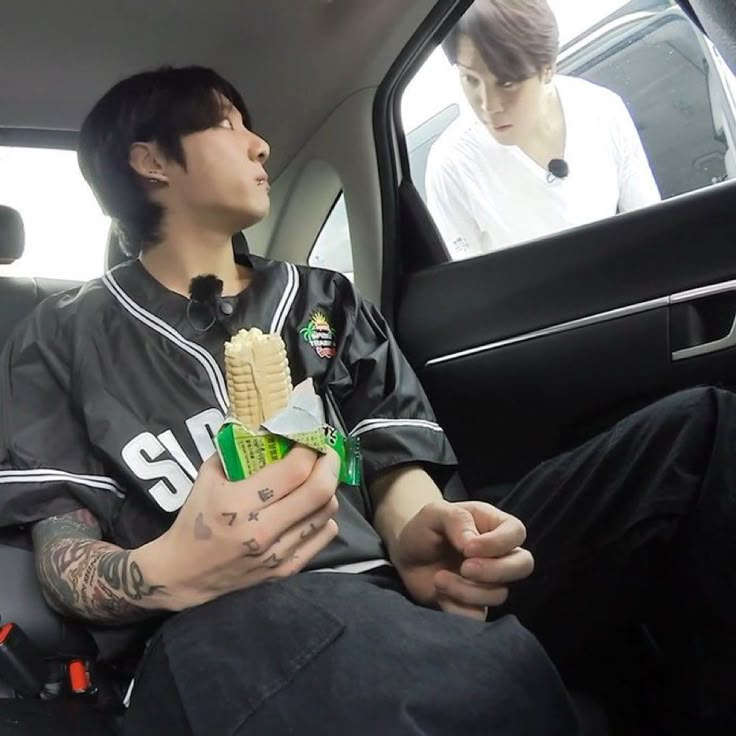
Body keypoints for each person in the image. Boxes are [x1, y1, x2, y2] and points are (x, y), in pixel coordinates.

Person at [0, 66, 734, 736]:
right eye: (225, 123)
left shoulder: (328, 300)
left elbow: (390, 457)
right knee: (348, 637)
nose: (259, 144)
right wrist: (170, 570)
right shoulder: (60, 337)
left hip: (397, 584)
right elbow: (62, 550)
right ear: (150, 159)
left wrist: (423, 532)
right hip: (231, 619)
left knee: (700, 434)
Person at [425, 0, 662, 260]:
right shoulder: (453, 164)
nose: (488, 105)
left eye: (506, 83)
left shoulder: (603, 111)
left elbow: (653, 231)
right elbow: (469, 288)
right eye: (470, 79)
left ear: (548, 68)